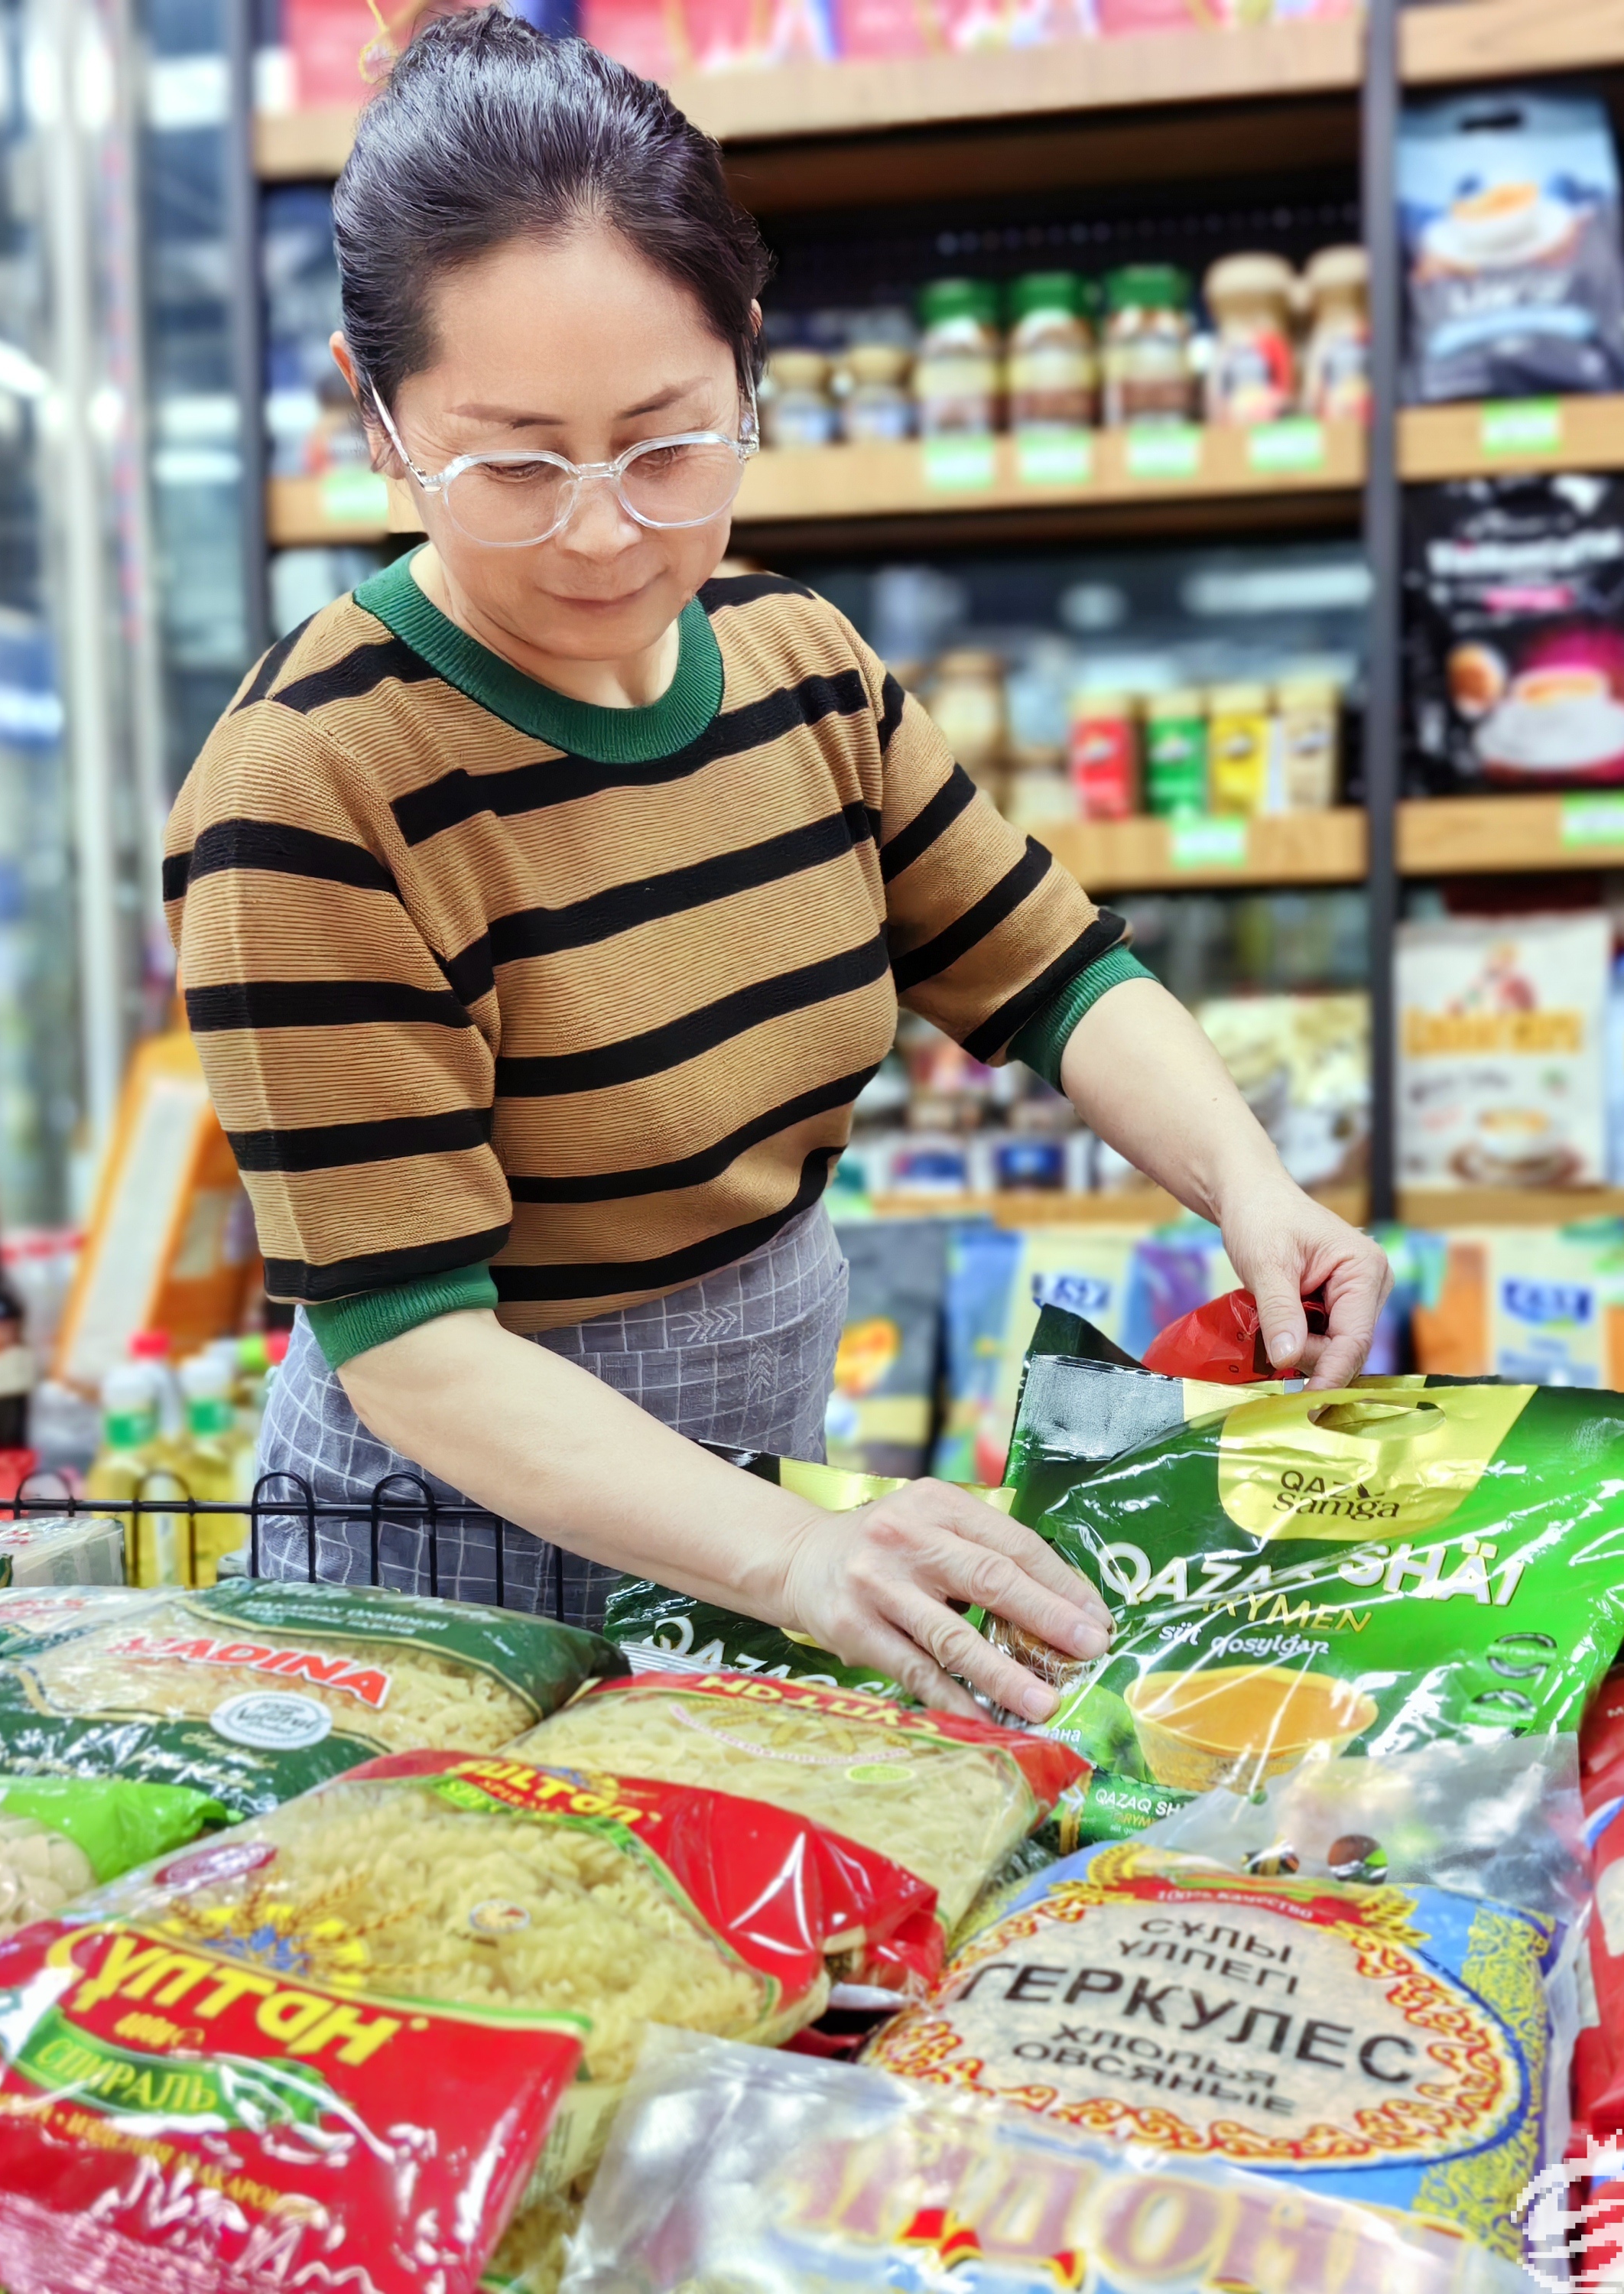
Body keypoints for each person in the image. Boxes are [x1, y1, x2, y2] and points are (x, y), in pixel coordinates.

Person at [165, 11, 1389, 1720]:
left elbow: (1053, 973)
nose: (605, 529)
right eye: (513, 464)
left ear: (748, 364)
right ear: (376, 422)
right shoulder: (310, 786)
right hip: (447, 1564)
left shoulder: (793, 661)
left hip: (765, 1490)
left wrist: (1253, 1190)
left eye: (668, 444)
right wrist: (798, 1557)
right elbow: (415, 1344)